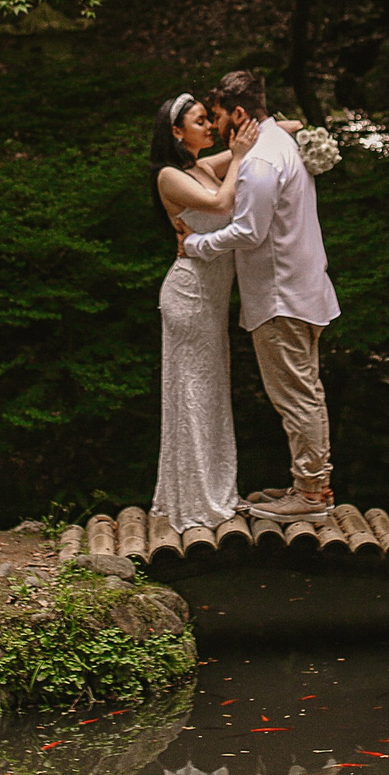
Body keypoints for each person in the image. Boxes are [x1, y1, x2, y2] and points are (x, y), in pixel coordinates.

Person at [180, 70, 341, 522]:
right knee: (304, 391)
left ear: (239, 113)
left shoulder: (261, 161)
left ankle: (310, 496)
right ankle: (308, 483)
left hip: (281, 296)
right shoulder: (278, 144)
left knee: (296, 397)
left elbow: (250, 232)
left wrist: (196, 244)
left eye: (218, 117)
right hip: (302, 288)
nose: (215, 128)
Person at [149, 92, 261, 530]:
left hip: (209, 302)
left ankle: (204, 490)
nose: (210, 127)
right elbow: (220, 205)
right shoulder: (169, 177)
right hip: (189, 297)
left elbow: (258, 142)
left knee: (209, 392)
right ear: (177, 132)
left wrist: (283, 130)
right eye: (200, 121)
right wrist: (238, 157)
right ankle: (196, 500)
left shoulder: (201, 166)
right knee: (194, 395)